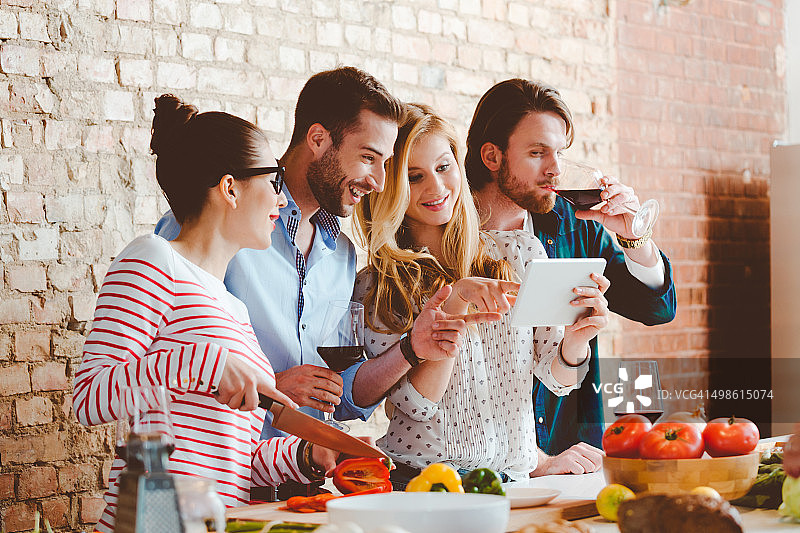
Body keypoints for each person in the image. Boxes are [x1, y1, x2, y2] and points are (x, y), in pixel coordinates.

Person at [154, 67, 489, 498]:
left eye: (385, 163)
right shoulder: (220, 221)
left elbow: (341, 394)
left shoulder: (342, 256)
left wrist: (411, 348)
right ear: (317, 139)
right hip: (213, 484)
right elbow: (160, 371)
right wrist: (270, 385)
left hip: (304, 486)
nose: (380, 181)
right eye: (368, 157)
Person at [73, 95, 348, 532]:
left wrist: (308, 454)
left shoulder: (232, 305)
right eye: (273, 180)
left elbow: (231, 459)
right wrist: (210, 363)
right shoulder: (153, 258)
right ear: (230, 187)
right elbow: (89, 397)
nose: (281, 198)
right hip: (156, 521)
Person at [351, 103, 611, 485]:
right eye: (414, 176)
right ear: (390, 188)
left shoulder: (519, 253)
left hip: (514, 484)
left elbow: (558, 380)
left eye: (443, 167)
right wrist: (454, 302)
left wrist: (576, 340)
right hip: (425, 484)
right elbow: (417, 406)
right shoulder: (379, 286)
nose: (436, 188)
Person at [466, 79, 677, 474]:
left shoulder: (571, 223)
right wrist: (534, 462)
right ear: (492, 157)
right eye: (537, 153)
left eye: (560, 152)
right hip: (477, 468)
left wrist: (635, 238)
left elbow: (656, 308)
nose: (556, 169)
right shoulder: (446, 231)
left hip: (572, 459)